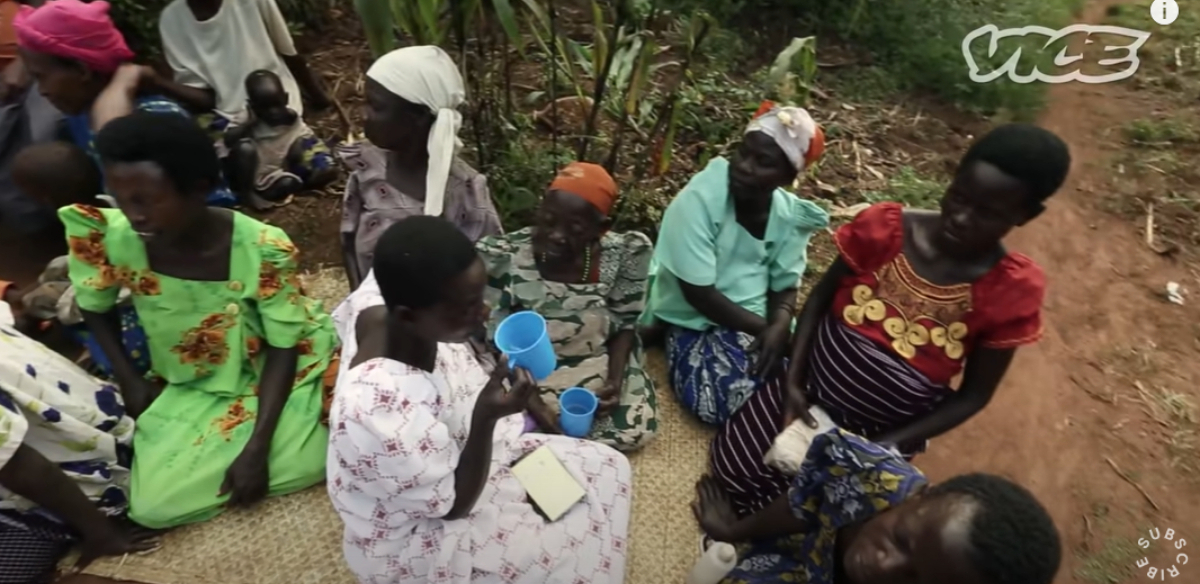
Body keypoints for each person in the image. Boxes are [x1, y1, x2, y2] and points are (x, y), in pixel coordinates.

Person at [708, 124, 1069, 517]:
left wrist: (882, 447)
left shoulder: (1008, 290)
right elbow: (818, 301)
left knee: (816, 513)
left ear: (1026, 215)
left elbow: (974, 395)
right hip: (808, 392)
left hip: (883, 434)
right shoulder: (885, 229)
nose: (962, 218)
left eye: (987, 213)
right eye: (959, 197)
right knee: (733, 468)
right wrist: (794, 381)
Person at [61, 111, 339, 529]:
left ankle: (266, 440)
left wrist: (257, 448)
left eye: (148, 200)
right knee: (152, 507)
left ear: (201, 189)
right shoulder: (108, 236)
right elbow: (94, 307)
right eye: (121, 197)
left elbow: (285, 346)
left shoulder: (261, 249)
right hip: (193, 380)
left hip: (275, 370)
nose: (134, 215)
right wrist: (131, 380)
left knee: (321, 456)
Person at [327, 216, 632, 584]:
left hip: (468, 456)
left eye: (480, 297)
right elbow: (453, 507)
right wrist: (486, 417)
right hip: (420, 532)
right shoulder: (377, 410)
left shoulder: (387, 295)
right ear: (409, 316)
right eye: (467, 307)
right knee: (585, 563)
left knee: (611, 469)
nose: (484, 312)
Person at [640, 103, 829, 425]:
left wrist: (781, 324)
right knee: (727, 396)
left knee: (820, 378)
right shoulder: (700, 200)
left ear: (787, 176)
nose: (744, 167)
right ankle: (667, 333)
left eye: (763, 162)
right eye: (743, 153)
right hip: (694, 316)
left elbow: (784, 286)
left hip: (755, 315)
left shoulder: (787, 217)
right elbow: (699, 294)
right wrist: (770, 332)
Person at [691, 430, 1062, 584]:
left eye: (915, 581)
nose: (885, 569)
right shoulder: (864, 469)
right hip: (807, 566)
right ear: (919, 496)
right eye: (901, 540)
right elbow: (803, 506)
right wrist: (732, 532)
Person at [474, 162, 657, 451]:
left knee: (634, 428)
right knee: (491, 422)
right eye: (549, 220)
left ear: (602, 229)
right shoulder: (506, 255)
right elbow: (497, 339)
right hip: (526, 369)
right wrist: (534, 405)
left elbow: (625, 323)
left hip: (593, 356)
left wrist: (614, 382)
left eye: (574, 228)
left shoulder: (624, 254)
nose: (557, 235)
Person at [0, 291, 159, 583]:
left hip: (88, 478)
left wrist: (100, 533)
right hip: (103, 415)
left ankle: (93, 527)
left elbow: (20, 466)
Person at [14, 0, 236, 207]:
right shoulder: (80, 114)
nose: (41, 91)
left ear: (82, 71)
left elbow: (114, 135)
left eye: (41, 77)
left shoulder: (158, 117)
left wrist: (125, 80)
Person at [339, 45, 501, 292]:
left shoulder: (466, 193)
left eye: (376, 106)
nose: (364, 114)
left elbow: (490, 270)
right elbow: (348, 242)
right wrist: (357, 304)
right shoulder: (367, 168)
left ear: (417, 118)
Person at [156, 0, 330, 121]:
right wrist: (155, 82)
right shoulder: (171, 19)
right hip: (224, 117)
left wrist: (319, 97)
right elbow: (206, 99)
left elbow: (288, 51)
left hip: (274, 103)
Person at [223, 70, 335, 209]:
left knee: (289, 182)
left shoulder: (290, 118)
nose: (273, 112)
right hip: (250, 171)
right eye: (264, 108)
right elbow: (228, 141)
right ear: (252, 106)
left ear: (286, 99)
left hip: (274, 172)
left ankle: (273, 190)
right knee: (245, 148)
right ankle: (247, 195)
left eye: (277, 104)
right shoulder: (247, 118)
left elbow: (305, 137)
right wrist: (249, 124)